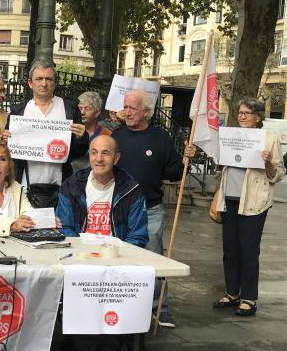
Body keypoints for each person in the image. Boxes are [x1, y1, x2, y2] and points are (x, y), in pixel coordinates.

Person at [111, 89, 195, 328]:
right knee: (118, 259)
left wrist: (186, 160)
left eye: (132, 108)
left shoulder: (160, 137)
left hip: (150, 209)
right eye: (125, 107)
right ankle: (121, 304)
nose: (127, 112)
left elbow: (174, 172)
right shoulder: (116, 136)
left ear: (146, 111)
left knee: (154, 259)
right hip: (119, 211)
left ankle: (159, 307)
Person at [212, 99, 284, 316]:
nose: (242, 116)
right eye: (240, 112)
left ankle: (249, 298)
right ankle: (232, 292)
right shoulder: (231, 136)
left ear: (258, 117)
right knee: (230, 250)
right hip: (229, 200)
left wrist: (268, 162)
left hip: (254, 203)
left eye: (247, 113)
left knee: (249, 250)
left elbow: (278, 174)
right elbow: (221, 169)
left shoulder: (268, 139)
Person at [2, 60, 89, 207]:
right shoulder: (19, 112)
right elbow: (8, 152)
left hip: (61, 185)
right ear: (30, 83)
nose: (44, 84)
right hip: (25, 186)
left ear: (55, 83)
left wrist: (81, 137)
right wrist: (4, 141)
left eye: (49, 79)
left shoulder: (69, 108)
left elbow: (79, 151)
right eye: (39, 79)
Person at [57, 135, 148, 247]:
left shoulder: (131, 190)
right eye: (94, 152)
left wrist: (115, 253)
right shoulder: (71, 186)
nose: (99, 159)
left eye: (105, 153)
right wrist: (82, 251)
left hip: (117, 253)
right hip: (81, 252)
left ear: (116, 158)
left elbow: (137, 236)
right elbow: (64, 228)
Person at [72, 91, 112, 171]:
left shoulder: (106, 134)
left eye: (87, 109)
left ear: (97, 113)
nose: (82, 112)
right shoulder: (70, 131)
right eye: (80, 108)